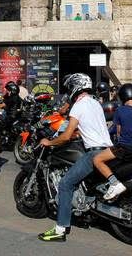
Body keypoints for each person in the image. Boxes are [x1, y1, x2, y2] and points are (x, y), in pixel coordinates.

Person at [37, 73, 113, 243]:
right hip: (108, 149)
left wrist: (49, 142)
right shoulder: (95, 103)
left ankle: (60, 229)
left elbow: (66, 136)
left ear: (75, 87)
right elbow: (88, 127)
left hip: (94, 152)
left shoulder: (78, 106)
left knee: (65, 184)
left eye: (70, 87)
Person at [93, 83, 132, 200]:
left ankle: (114, 183)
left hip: (125, 147)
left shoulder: (120, 111)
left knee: (97, 159)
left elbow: (118, 132)